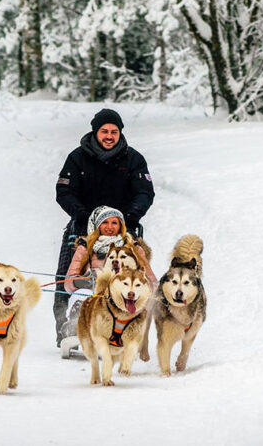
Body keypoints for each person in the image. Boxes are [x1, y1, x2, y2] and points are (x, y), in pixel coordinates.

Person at [53, 108, 155, 345]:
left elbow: (144, 192)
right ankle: (66, 328)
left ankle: (122, 326)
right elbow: (64, 191)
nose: (109, 136)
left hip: (123, 228)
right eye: (104, 131)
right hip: (83, 226)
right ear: (95, 132)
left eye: (114, 131)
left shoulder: (134, 160)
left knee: (127, 279)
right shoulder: (77, 158)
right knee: (66, 276)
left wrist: (129, 217)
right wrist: (82, 215)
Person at [58, 206, 157, 356]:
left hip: (124, 295)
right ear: (97, 225)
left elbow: (152, 282)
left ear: (121, 226)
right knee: (81, 295)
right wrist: (84, 281)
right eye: (105, 223)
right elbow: (68, 282)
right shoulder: (85, 248)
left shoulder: (134, 249)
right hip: (93, 292)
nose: (110, 227)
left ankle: (116, 336)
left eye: (114, 223)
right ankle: (74, 329)